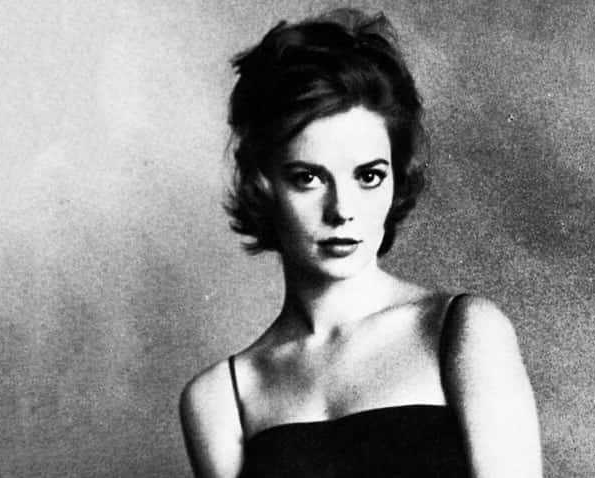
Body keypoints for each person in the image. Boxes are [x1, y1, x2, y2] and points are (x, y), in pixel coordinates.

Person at [180, 8, 541, 478]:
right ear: (261, 185)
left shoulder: (462, 331)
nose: (342, 210)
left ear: (396, 179)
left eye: (368, 176)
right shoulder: (220, 397)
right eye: (308, 178)